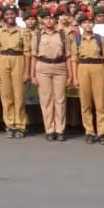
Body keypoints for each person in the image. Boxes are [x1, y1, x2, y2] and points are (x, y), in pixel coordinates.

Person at [71, 11, 104, 144]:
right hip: (83, 68)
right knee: (85, 102)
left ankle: (102, 131)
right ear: (81, 25)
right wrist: (75, 77)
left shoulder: (100, 39)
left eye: (90, 22)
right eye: (85, 23)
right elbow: (74, 60)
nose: (88, 25)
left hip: (98, 67)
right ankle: (89, 131)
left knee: (100, 102)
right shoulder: (77, 39)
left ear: (93, 24)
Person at [32, 9, 69, 141]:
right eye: (46, 18)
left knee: (60, 99)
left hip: (60, 67)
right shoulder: (37, 35)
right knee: (46, 100)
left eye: (52, 18)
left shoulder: (62, 34)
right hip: (43, 67)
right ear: (42, 20)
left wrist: (70, 74)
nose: (49, 20)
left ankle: (60, 130)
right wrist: (32, 75)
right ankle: (50, 129)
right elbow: (34, 56)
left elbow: (68, 56)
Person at [0, 6, 30, 138]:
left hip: (18, 59)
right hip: (3, 59)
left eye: (12, 14)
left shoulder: (23, 31)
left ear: (16, 15)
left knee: (19, 95)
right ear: (4, 16)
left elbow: (27, 52)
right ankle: (10, 124)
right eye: (7, 14)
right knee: (6, 95)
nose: (10, 16)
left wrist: (27, 71)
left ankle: (20, 125)